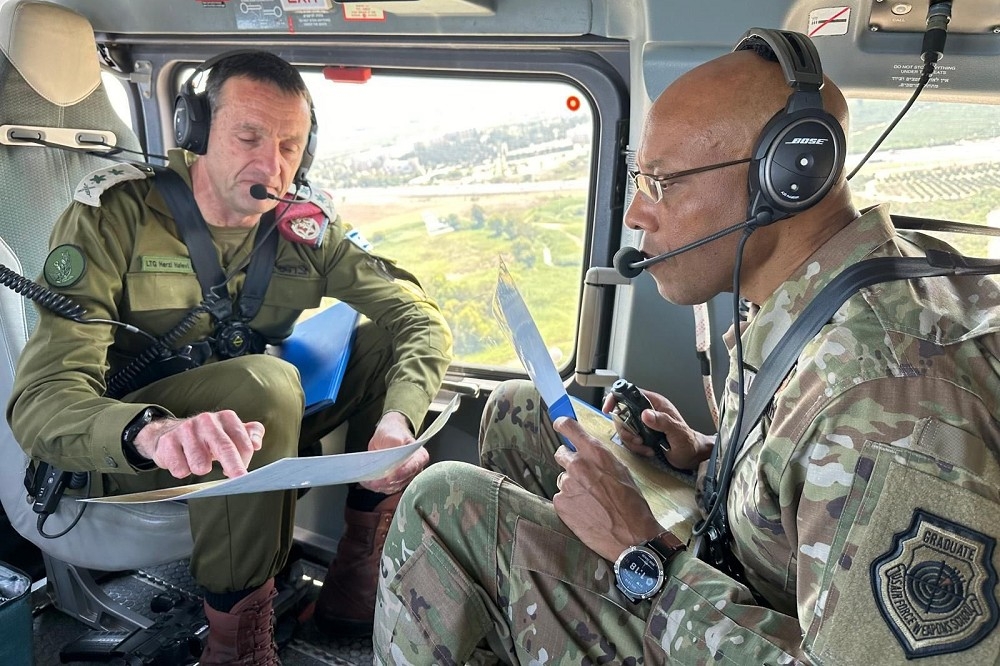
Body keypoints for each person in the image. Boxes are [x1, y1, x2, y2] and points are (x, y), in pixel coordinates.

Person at [371, 30, 1000, 665]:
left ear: (786, 178)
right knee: (522, 408)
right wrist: (706, 455)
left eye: (664, 184)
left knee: (442, 503)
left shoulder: (888, 405)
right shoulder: (820, 292)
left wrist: (639, 554)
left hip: (720, 611)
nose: (637, 214)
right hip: (740, 575)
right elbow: (807, 478)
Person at [7, 51, 453, 663]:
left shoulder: (303, 227)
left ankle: (356, 578)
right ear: (196, 130)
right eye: (248, 136)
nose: (272, 164)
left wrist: (394, 423)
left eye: (291, 146)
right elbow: (40, 403)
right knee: (264, 381)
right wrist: (153, 432)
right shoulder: (113, 216)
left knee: (376, 339)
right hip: (132, 446)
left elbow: (418, 315)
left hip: (248, 429)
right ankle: (236, 649)